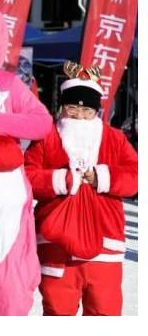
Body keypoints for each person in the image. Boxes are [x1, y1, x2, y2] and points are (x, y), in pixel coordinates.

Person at [24, 66, 138, 316]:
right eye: (72, 108)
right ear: (62, 108)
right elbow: (27, 177)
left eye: (87, 110)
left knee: (104, 312)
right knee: (57, 310)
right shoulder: (46, 137)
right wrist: (61, 180)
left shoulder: (115, 139)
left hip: (105, 241)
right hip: (56, 242)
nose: (79, 116)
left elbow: (136, 176)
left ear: (97, 111)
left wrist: (102, 177)